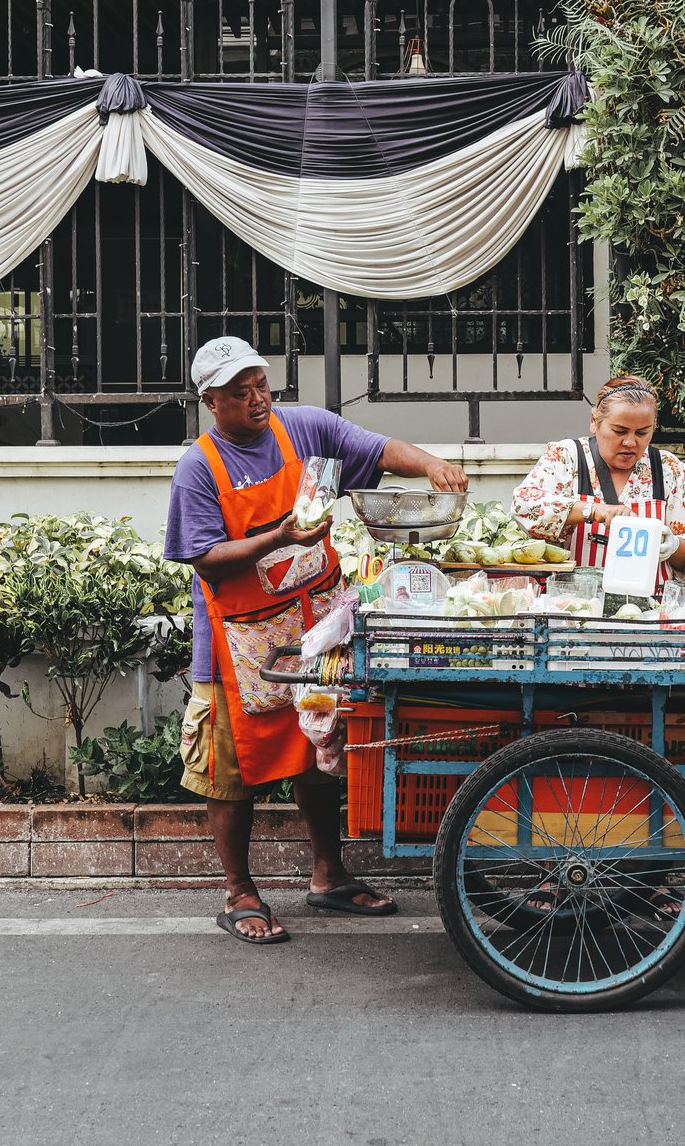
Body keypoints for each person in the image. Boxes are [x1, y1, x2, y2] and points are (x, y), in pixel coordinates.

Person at [165, 336, 467, 945]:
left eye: (260, 384)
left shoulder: (304, 428)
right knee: (230, 771)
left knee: (318, 749)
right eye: (240, 392)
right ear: (211, 402)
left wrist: (431, 465)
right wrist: (278, 539)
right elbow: (204, 557)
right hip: (238, 645)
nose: (257, 399)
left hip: (313, 630)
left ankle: (328, 875)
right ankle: (239, 892)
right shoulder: (199, 467)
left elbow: (375, 448)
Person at [511, 374, 685, 591]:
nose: (630, 442)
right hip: (575, 603)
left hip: (653, 604)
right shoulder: (567, 457)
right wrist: (593, 510)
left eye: (642, 432)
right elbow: (524, 505)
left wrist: (673, 546)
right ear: (594, 422)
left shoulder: (668, 469)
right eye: (619, 431)